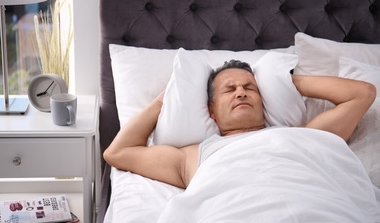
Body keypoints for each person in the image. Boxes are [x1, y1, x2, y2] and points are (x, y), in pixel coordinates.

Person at [104, 60, 376, 189]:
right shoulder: (193, 156)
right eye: (229, 89)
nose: (241, 92)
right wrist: (166, 100)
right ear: (211, 110)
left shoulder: (302, 137)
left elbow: (363, 94)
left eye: (250, 88)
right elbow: (118, 152)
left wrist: (287, 83)